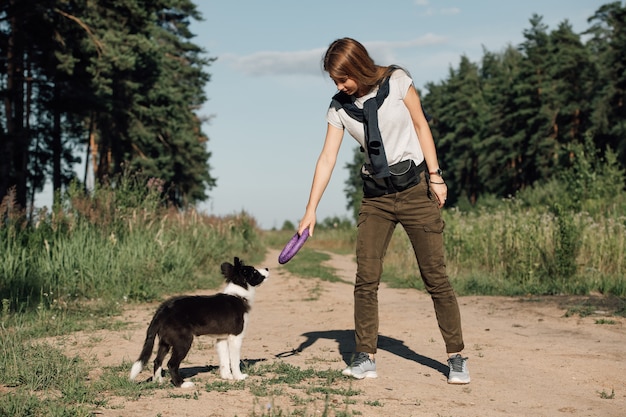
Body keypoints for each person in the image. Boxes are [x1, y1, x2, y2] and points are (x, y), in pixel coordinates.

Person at [297, 37, 470, 384]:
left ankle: (456, 356)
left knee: (435, 276)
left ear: (358, 66)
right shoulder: (339, 108)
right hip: (375, 198)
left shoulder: (398, 82)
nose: (339, 86)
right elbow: (327, 158)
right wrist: (310, 209)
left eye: (343, 78)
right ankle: (365, 357)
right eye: (333, 80)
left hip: (414, 190)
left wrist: (436, 177)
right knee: (366, 277)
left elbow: (422, 126)